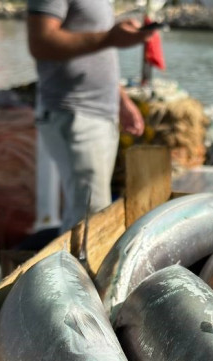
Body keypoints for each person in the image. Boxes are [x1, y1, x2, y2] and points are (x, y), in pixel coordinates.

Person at [26, 0, 155, 231]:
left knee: (89, 213)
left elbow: (100, 55)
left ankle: (74, 265)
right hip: (75, 113)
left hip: (101, 114)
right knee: (90, 217)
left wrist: (122, 101)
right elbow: (40, 42)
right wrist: (109, 38)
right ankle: (75, 267)